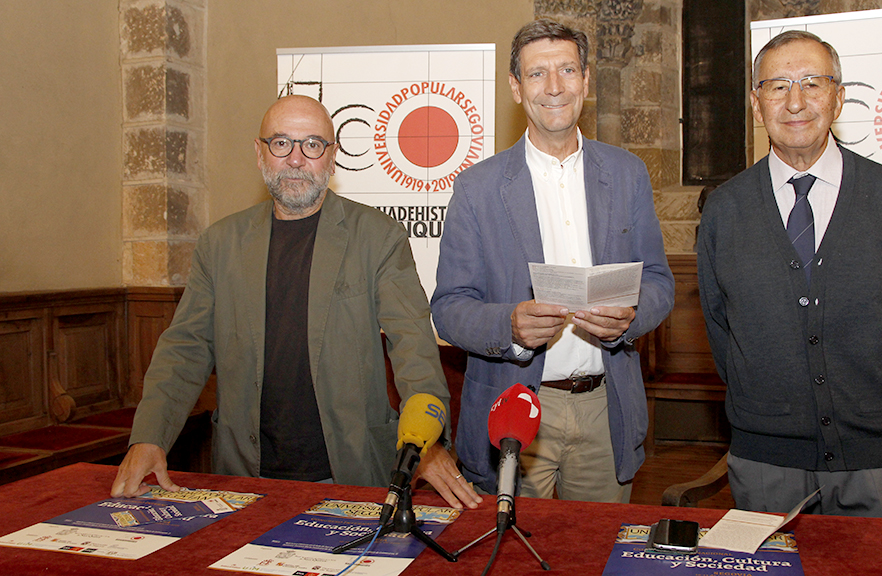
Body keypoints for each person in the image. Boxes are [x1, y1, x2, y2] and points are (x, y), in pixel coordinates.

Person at [111, 95, 481, 512]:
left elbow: (413, 347)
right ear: (260, 152)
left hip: (351, 472)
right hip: (242, 474)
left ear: (333, 156)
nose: (296, 159)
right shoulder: (220, 244)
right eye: (282, 143)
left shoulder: (377, 238)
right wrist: (149, 436)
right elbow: (185, 348)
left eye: (313, 145)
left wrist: (426, 445)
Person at [431, 19, 674, 503]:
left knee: (597, 554)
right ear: (516, 88)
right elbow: (449, 306)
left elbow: (659, 281)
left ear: (586, 79)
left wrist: (629, 318)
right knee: (514, 555)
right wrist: (510, 326)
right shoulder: (477, 188)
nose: (555, 87)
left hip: (607, 406)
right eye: (538, 74)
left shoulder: (627, 174)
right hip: (515, 404)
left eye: (567, 69)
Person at [697, 30, 882, 518]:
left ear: (839, 97)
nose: (796, 101)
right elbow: (721, 328)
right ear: (756, 103)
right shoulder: (724, 209)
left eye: (812, 82)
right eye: (778, 86)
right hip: (767, 458)